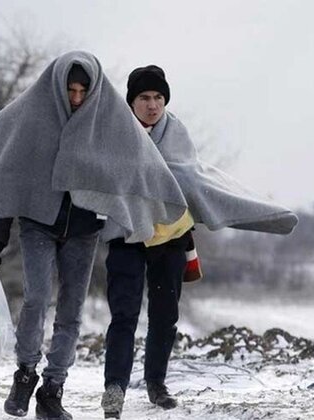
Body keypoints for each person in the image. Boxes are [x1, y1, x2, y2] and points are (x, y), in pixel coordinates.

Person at [0, 51, 188, 420]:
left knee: (71, 314)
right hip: (37, 224)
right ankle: (25, 373)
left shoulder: (106, 124)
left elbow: (142, 169)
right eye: (70, 89)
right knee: (36, 299)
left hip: (84, 230)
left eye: (82, 91)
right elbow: (5, 176)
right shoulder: (30, 119)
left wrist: (150, 218)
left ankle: (52, 389)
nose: (76, 98)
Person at [100, 65, 298, 418]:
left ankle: (156, 384)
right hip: (126, 236)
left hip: (171, 238)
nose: (152, 105)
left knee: (165, 316)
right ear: (131, 101)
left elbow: (191, 175)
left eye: (158, 98)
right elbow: (102, 176)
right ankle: (114, 388)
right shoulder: (113, 133)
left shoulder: (176, 133)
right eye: (144, 98)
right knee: (124, 315)